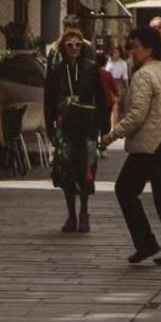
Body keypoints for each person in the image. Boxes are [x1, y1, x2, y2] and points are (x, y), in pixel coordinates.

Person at [101, 24, 161, 264]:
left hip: (148, 145)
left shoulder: (144, 75)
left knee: (125, 190)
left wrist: (110, 136)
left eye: (135, 47)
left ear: (149, 49)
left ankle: (146, 242)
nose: (131, 52)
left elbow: (136, 115)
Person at [45, 29, 108, 234]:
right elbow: (49, 100)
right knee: (66, 170)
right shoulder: (56, 70)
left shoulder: (91, 69)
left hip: (87, 125)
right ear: (63, 47)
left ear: (83, 47)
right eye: (69, 45)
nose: (73, 48)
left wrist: (103, 126)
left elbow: (101, 99)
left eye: (77, 45)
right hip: (65, 125)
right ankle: (71, 214)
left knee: (86, 170)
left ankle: (84, 212)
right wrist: (50, 128)